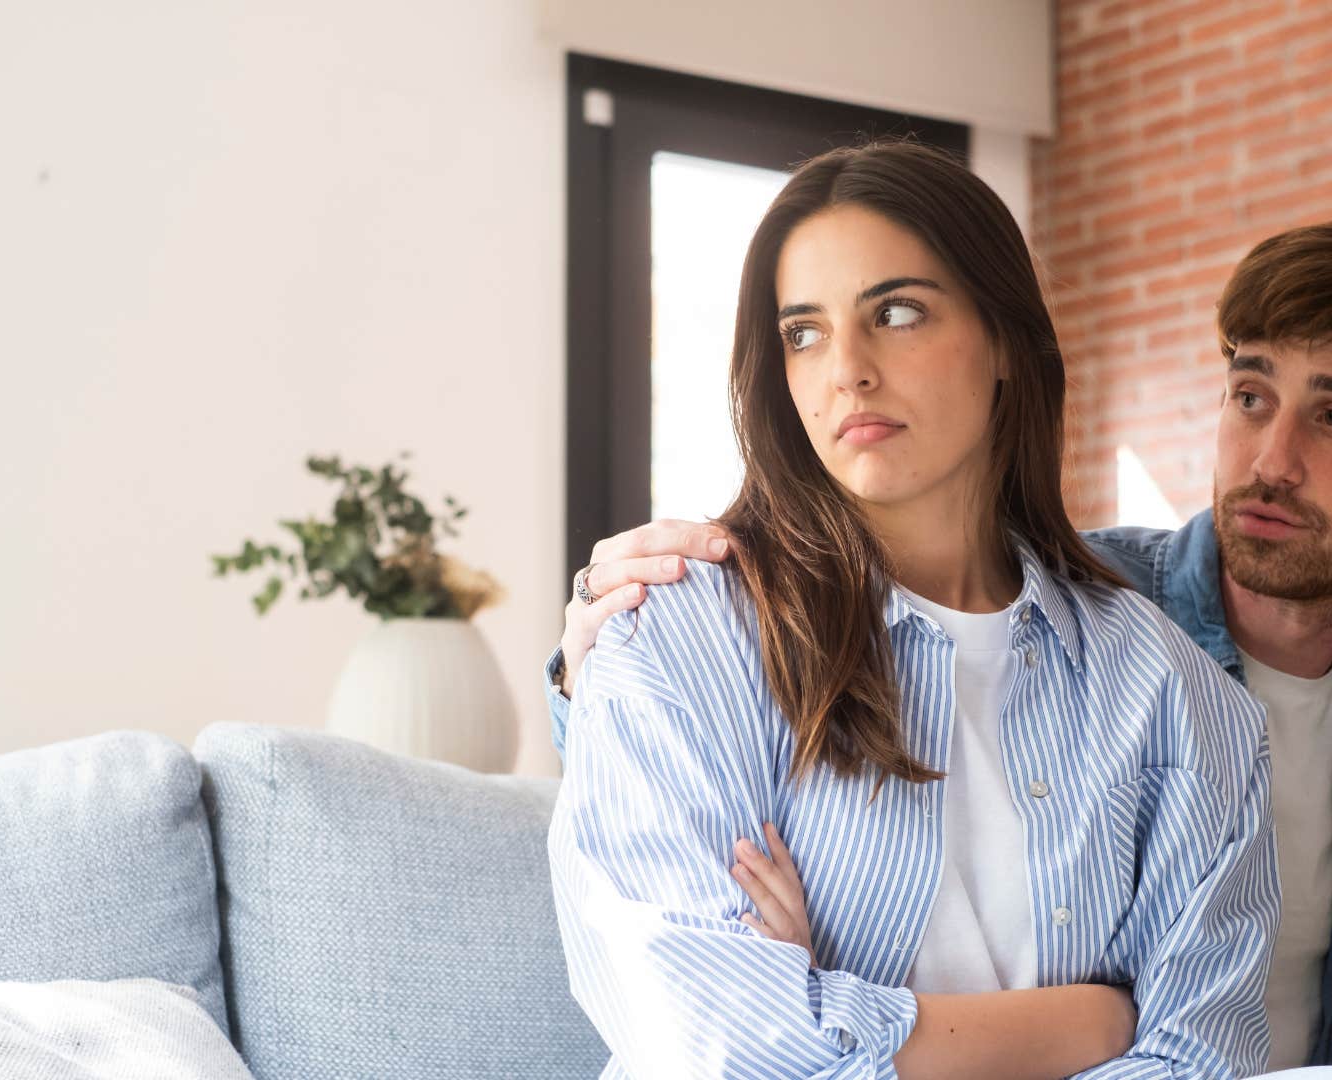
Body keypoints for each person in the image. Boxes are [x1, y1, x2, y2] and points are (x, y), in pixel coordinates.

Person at [552, 217, 1332, 1077]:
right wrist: (593, 659)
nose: (1269, 458)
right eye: (1250, 396)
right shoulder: (1058, 608)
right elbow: (687, 830)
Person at [548, 139, 1285, 1078]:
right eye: (802, 332)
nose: (845, 369)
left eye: (896, 313)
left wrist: (824, 1004)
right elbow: (709, 1041)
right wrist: (1089, 1023)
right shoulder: (681, 628)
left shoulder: (1169, 692)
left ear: (1007, 341)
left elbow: (1200, 1056)